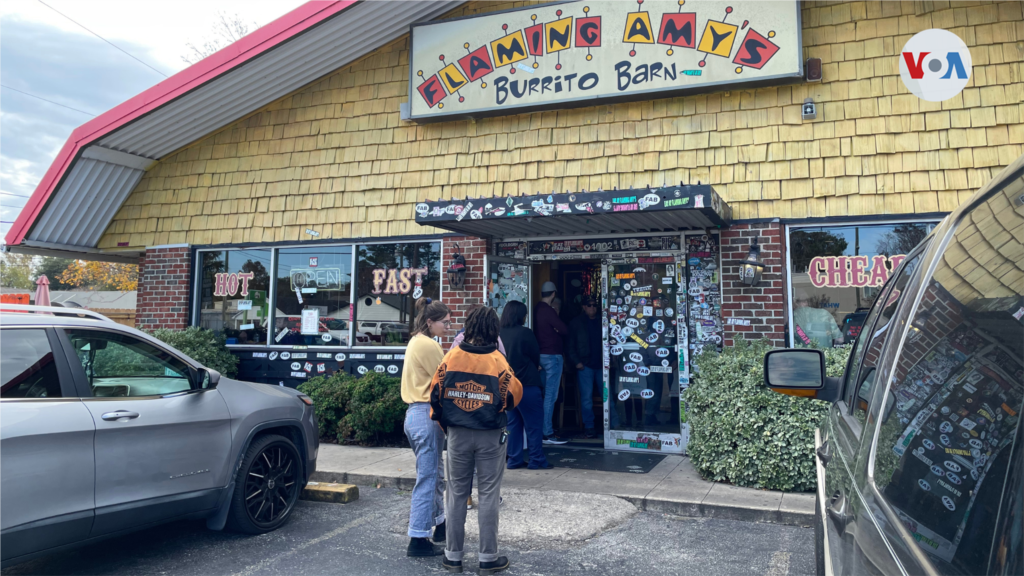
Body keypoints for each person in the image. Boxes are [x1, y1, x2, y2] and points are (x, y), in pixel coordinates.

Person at [430, 307, 522, 575]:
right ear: (494, 330)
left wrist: (449, 424)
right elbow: (514, 397)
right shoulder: (498, 361)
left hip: (457, 434)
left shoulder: (452, 357)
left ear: (468, 327)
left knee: (457, 494)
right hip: (491, 435)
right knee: (489, 494)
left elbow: (435, 396)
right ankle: (487, 558)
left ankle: (452, 557)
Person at [401, 298, 451, 557]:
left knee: (434, 474)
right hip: (426, 414)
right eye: (444, 322)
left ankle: (441, 524)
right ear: (430, 321)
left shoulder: (415, 341)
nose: (448, 325)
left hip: (415, 415)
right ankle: (418, 538)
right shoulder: (428, 345)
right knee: (429, 478)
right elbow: (446, 379)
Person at [499, 301, 551, 470]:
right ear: (520, 315)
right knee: (534, 424)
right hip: (527, 384)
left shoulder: (498, 334)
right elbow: (535, 356)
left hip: (507, 386)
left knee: (512, 425)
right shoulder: (525, 333)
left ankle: (514, 459)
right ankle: (536, 459)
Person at [533, 280, 568, 445]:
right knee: (550, 396)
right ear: (553, 294)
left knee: (541, 395)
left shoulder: (536, 309)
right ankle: (547, 432)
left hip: (539, 357)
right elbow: (564, 329)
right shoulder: (549, 310)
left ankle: (539, 430)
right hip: (552, 357)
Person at [566, 295, 602, 439]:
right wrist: (577, 362)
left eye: (594, 305)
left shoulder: (602, 321)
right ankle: (589, 427)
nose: (592, 307)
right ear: (583, 307)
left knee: (608, 396)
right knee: (586, 398)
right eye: (589, 305)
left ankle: (613, 425)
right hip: (585, 365)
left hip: (601, 365)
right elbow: (570, 345)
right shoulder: (576, 323)